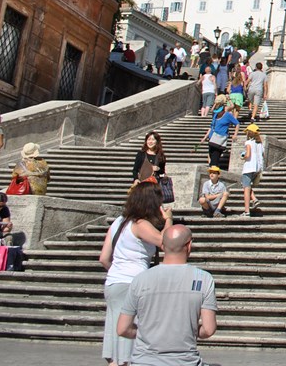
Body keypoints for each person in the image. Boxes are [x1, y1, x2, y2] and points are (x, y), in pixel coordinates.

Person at [117, 225, 217, 366]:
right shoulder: (204, 279)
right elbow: (208, 329)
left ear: (162, 246)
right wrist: (186, 331)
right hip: (185, 362)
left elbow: (122, 329)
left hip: (143, 362)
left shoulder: (140, 279)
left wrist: (149, 333)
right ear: (189, 245)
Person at [99, 182, 170, 366]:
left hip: (113, 282)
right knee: (131, 335)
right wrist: (168, 220)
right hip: (134, 282)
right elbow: (167, 243)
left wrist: (118, 272)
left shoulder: (118, 223)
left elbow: (104, 258)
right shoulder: (140, 224)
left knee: (116, 335)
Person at [202, 101, 239, 169]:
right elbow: (211, 127)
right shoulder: (215, 115)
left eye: (219, 111)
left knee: (215, 156)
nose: (217, 113)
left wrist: (235, 134)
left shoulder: (228, 115)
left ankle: (213, 169)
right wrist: (205, 137)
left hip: (220, 139)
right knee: (211, 155)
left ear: (223, 110)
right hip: (212, 138)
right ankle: (213, 169)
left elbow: (237, 123)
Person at [240, 124, 265, 217]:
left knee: (246, 188)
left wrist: (243, 156)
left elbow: (248, 155)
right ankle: (254, 199)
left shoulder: (248, 143)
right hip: (257, 168)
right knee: (247, 186)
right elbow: (262, 155)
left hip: (249, 167)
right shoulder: (259, 143)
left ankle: (247, 211)